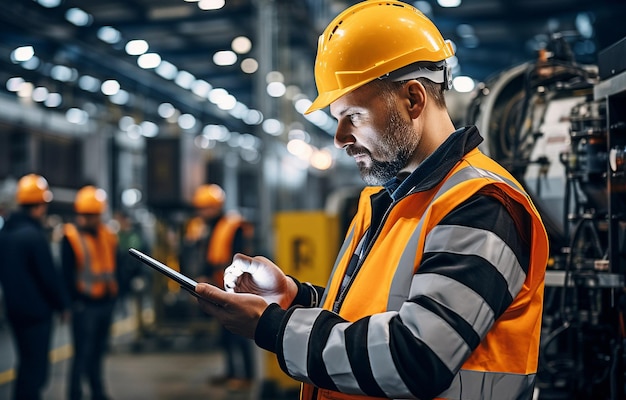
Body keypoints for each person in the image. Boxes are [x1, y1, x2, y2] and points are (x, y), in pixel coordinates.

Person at [194, 1, 550, 400]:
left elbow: (415, 356)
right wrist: (291, 298)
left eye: (354, 115)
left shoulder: (482, 206)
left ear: (413, 99)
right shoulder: (396, 203)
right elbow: (369, 317)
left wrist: (273, 328)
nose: (340, 137)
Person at [0, 174, 70, 400]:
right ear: (40, 206)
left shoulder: (6, 234)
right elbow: (48, 277)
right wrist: (63, 305)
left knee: (24, 365)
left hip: (14, 312)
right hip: (37, 315)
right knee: (36, 371)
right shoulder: (34, 236)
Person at [181, 183, 255, 389]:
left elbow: (240, 257)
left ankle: (247, 376)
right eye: (200, 208)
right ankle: (231, 372)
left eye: (206, 208)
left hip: (235, 287)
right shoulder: (204, 228)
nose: (202, 212)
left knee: (240, 333)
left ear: (216, 206)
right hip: (216, 285)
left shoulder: (233, 225)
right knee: (225, 332)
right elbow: (202, 254)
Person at [61, 185, 120, 400]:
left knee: (98, 352)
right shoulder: (70, 236)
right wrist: (70, 304)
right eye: (85, 215)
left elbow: (115, 266)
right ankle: (74, 394)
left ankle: (97, 392)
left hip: (105, 302)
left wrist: (116, 296)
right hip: (83, 305)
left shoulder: (108, 235)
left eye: (92, 215)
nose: (87, 219)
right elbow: (66, 274)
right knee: (82, 355)